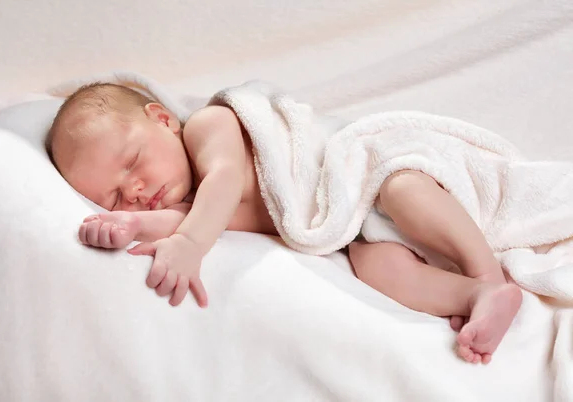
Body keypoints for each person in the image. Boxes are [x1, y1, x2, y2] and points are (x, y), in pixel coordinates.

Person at [46, 83, 522, 365]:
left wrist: (190, 244)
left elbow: (225, 182)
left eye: (133, 161)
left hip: (372, 174)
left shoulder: (209, 127)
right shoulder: (191, 204)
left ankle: (484, 271)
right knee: (377, 268)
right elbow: (179, 219)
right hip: (354, 225)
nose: (133, 188)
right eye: (111, 194)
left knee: (405, 191)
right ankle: (479, 298)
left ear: (162, 120)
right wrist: (126, 227)